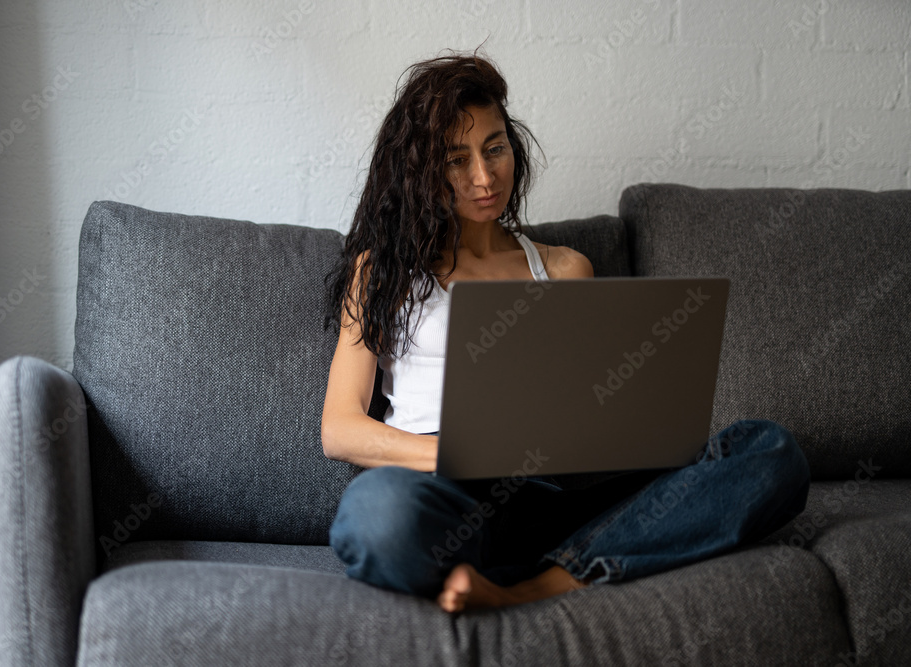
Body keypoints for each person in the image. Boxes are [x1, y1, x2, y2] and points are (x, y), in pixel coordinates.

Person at [320, 49, 810, 614]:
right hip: (444, 495)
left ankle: (531, 588)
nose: (484, 177)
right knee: (375, 516)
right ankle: (545, 563)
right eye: (457, 160)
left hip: (560, 494)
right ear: (422, 171)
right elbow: (341, 428)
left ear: (513, 145)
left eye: (495, 148)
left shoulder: (563, 267)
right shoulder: (381, 271)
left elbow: (592, 408)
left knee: (771, 452)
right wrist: (459, 455)